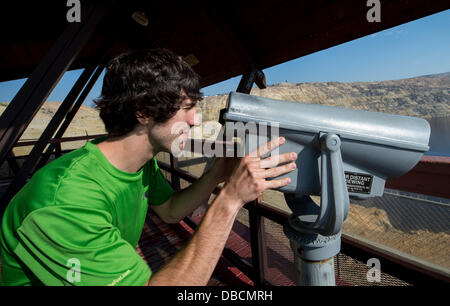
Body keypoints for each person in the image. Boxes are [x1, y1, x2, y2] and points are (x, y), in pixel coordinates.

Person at [0, 48, 298, 286]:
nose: (196, 120)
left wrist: (215, 176)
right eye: (187, 107)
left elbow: (169, 210)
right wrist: (230, 200)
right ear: (142, 111)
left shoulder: (139, 164)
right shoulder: (65, 202)